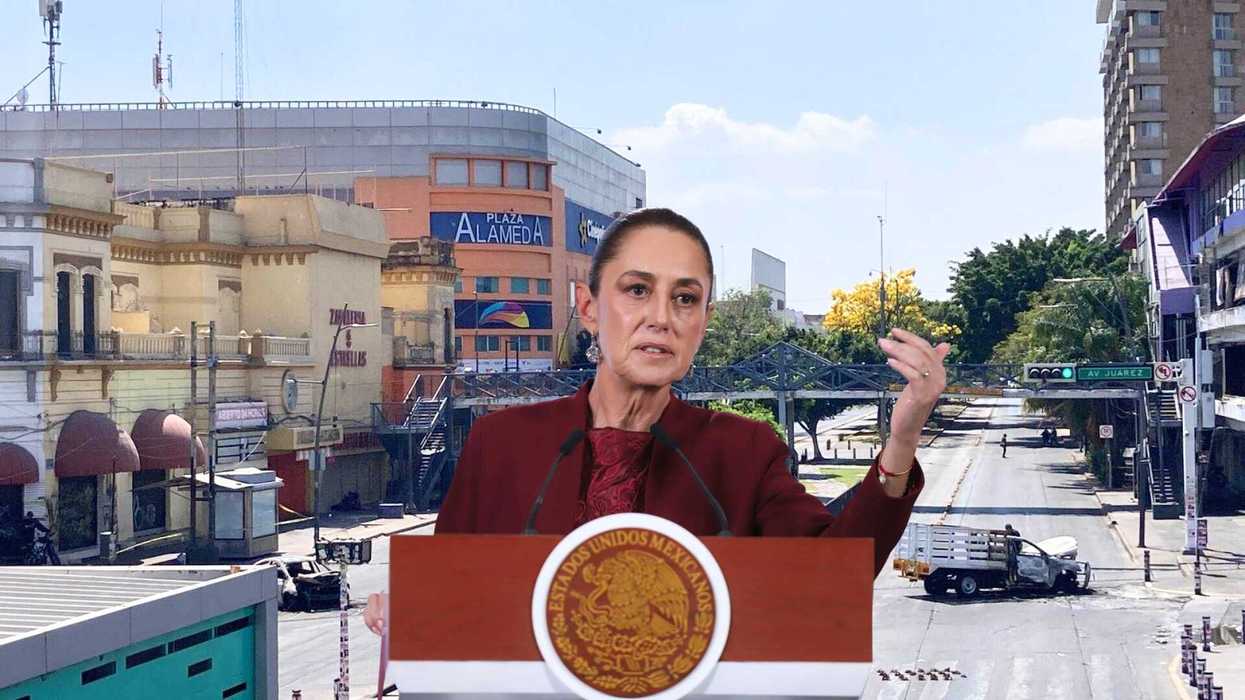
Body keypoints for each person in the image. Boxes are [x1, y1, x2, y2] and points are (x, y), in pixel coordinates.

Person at [363, 207, 951, 636]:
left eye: (685, 298)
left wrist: (901, 442)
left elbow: (833, 577)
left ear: (704, 320)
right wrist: (412, 609)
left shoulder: (743, 452)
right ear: (590, 308)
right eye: (637, 290)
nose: (660, 318)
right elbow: (454, 596)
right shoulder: (503, 444)